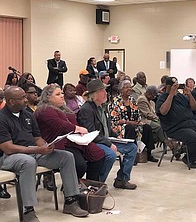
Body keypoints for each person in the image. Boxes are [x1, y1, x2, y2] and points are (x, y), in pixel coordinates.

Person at [0, 86, 89, 221]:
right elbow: (7, 148)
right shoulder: (2, 118)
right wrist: (37, 149)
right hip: (10, 157)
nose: (26, 100)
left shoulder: (28, 114)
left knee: (66, 157)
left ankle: (71, 201)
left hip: (33, 151)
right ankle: (28, 210)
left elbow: (37, 138)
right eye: (22, 98)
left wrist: (46, 145)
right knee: (28, 162)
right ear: (11, 101)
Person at [34, 84, 106, 182]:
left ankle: (91, 184)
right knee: (80, 165)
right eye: (58, 94)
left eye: (62, 93)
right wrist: (77, 128)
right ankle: (73, 186)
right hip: (58, 143)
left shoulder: (65, 108)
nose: (62, 96)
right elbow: (61, 125)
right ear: (48, 98)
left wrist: (79, 132)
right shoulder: (44, 110)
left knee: (99, 154)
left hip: (74, 140)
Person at [78, 79, 137, 188]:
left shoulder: (103, 107)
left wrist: (118, 138)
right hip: (94, 142)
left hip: (106, 139)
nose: (106, 93)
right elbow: (91, 134)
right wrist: (109, 144)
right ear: (94, 94)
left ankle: (122, 179)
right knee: (110, 154)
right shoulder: (86, 109)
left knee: (132, 147)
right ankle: (98, 184)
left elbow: (108, 128)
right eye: (102, 91)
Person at [156, 77, 196, 168]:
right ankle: (191, 160)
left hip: (191, 124)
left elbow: (193, 107)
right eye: (174, 86)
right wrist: (171, 95)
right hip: (176, 128)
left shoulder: (180, 96)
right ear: (168, 86)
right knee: (195, 137)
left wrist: (189, 94)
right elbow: (163, 111)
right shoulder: (162, 98)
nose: (176, 88)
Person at [109, 80, 158, 163]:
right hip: (120, 126)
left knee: (147, 127)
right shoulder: (115, 101)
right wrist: (128, 122)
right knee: (130, 128)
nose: (129, 89)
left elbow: (137, 114)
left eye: (130, 87)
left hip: (134, 124)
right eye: (126, 87)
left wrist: (139, 122)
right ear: (121, 90)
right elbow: (114, 120)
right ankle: (132, 155)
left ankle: (147, 153)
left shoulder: (132, 100)